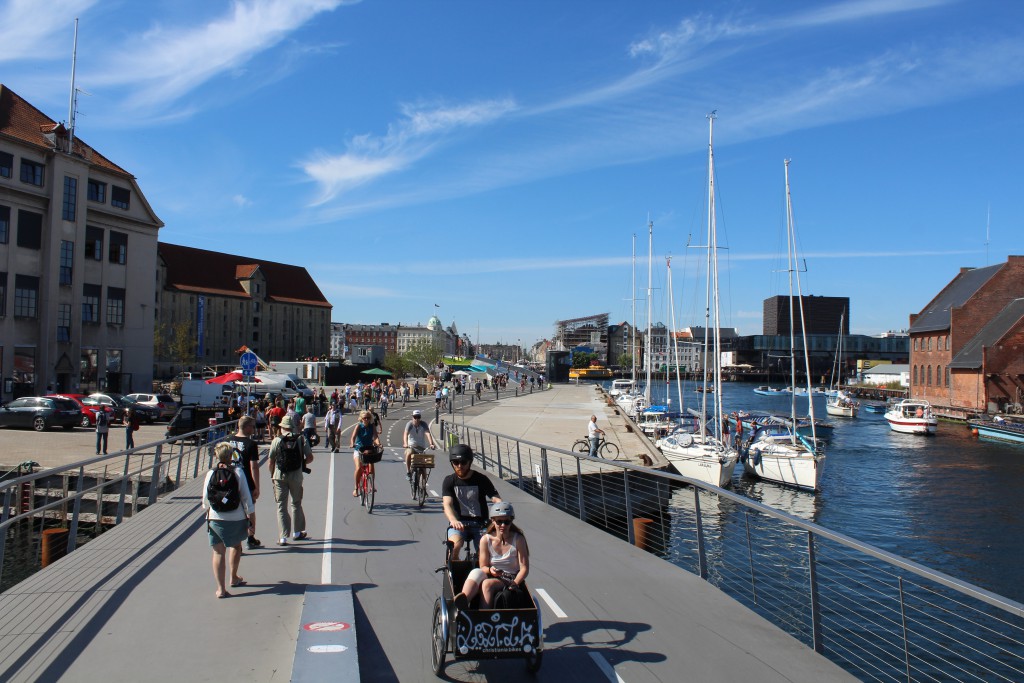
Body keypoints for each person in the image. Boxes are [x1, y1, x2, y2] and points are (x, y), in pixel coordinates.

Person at [202, 442, 255, 598]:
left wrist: (209, 510)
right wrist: (250, 517)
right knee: (236, 546)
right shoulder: (237, 471)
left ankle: (220, 589)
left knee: (218, 552)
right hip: (236, 516)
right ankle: (234, 577)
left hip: (215, 517)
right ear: (231, 455)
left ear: (217, 456)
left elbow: (205, 499)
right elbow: (246, 497)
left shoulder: (211, 473)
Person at [454, 502, 529, 610]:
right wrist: (491, 570)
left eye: (506, 522)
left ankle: (485, 618)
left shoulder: (518, 539)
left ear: (511, 521)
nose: (503, 525)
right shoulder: (486, 539)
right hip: (492, 574)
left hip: (510, 578)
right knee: (476, 572)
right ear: (493, 521)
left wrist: (515, 583)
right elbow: (483, 567)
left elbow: (524, 568)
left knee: (487, 584)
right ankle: (463, 602)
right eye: (499, 522)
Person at [442, 444, 502, 558]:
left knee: (485, 553)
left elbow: (496, 499)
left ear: (470, 462)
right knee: (454, 546)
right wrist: (453, 520)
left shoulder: (481, 479)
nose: (460, 466)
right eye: (456, 463)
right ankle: (452, 572)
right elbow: (447, 504)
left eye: (463, 462)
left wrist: (500, 517)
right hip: (458, 524)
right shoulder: (449, 481)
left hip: (481, 524)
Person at [268, 415, 313, 545]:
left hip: (279, 476)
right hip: (296, 476)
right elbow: (310, 457)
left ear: (282, 427)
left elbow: (271, 461)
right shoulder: (301, 439)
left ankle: (283, 537)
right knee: (296, 503)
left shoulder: (276, 440)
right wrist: (301, 463)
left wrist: (272, 474)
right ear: (292, 427)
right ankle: (297, 532)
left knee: (281, 505)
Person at [227, 416, 262, 549]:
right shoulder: (251, 444)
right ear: (246, 427)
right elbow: (254, 466)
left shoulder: (228, 441)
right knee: (250, 511)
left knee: (234, 510)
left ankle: (236, 541)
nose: (253, 429)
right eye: (252, 426)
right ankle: (250, 537)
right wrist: (257, 487)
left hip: (230, 481)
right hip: (246, 482)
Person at [350, 410, 382, 497]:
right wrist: (352, 443)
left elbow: (375, 437)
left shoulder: (372, 426)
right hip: (359, 449)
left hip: (369, 449)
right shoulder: (359, 426)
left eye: (368, 418)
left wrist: (378, 443)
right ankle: (356, 488)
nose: (366, 419)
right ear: (361, 418)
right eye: (365, 418)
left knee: (372, 465)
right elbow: (353, 437)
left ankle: (372, 485)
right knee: (358, 468)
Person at [403, 409, 437, 482]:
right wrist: (405, 443)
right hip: (411, 446)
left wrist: (431, 444)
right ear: (412, 417)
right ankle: (408, 472)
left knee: (423, 468)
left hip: (421, 448)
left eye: (418, 417)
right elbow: (405, 434)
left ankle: (424, 487)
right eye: (415, 417)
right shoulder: (409, 424)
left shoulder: (423, 424)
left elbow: (427, 433)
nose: (417, 419)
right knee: (408, 453)